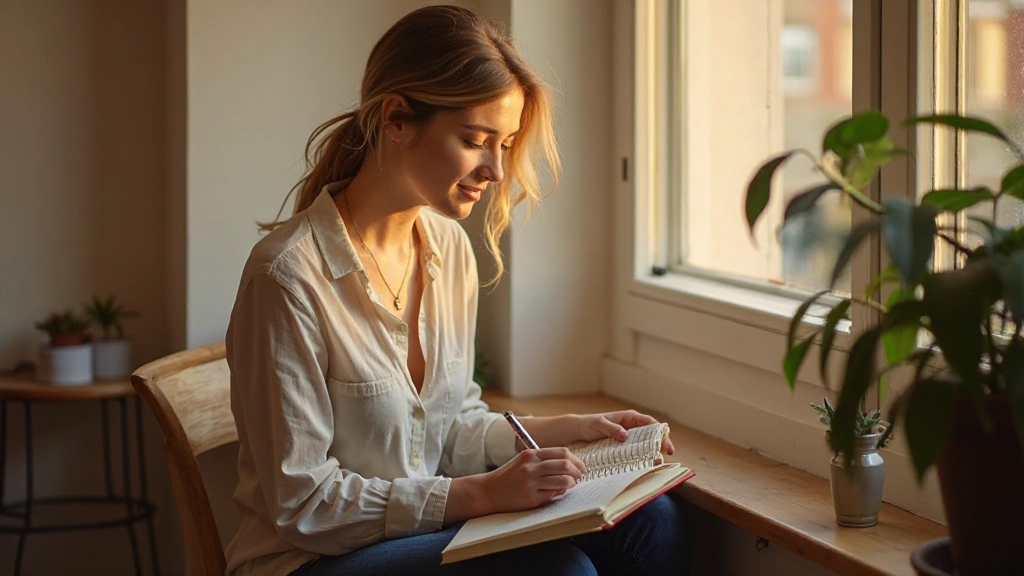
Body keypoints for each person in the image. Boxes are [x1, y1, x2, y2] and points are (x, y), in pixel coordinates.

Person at [224, 5, 692, 576]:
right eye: (476, 140)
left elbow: (445, 430)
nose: (496, 169)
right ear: (396, 119)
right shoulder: (288, 279)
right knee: (558, 571)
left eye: (507, 143)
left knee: (654, 521)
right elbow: (303, 506)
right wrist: (478, 496)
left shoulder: (447, 248)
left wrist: (573, 431)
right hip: (311, 558)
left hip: (423, 532)